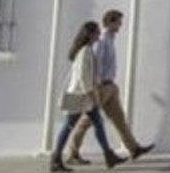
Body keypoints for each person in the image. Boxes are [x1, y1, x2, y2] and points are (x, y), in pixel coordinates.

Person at [63, 9, 153, 164]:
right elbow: (95, 64)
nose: (120, 25)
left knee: (119, 119)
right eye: (118, 22)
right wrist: (97, 87)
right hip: (102, 87)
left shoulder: (110, 39)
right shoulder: (103, 40)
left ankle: (134, 148)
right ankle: (72, 152)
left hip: (110, 86)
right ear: (110, 22)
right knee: (87, 121)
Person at [51, 21, 126, 172]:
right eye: (97, 32)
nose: (99, 34)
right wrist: (93, 97)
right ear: (90, 34)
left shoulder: (85, 50)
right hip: (82, 97)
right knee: (70, 127)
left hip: (82, 95)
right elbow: (84, 78)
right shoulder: (86, 51)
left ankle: (108, 155)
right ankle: (56, 158)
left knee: (96, 124)